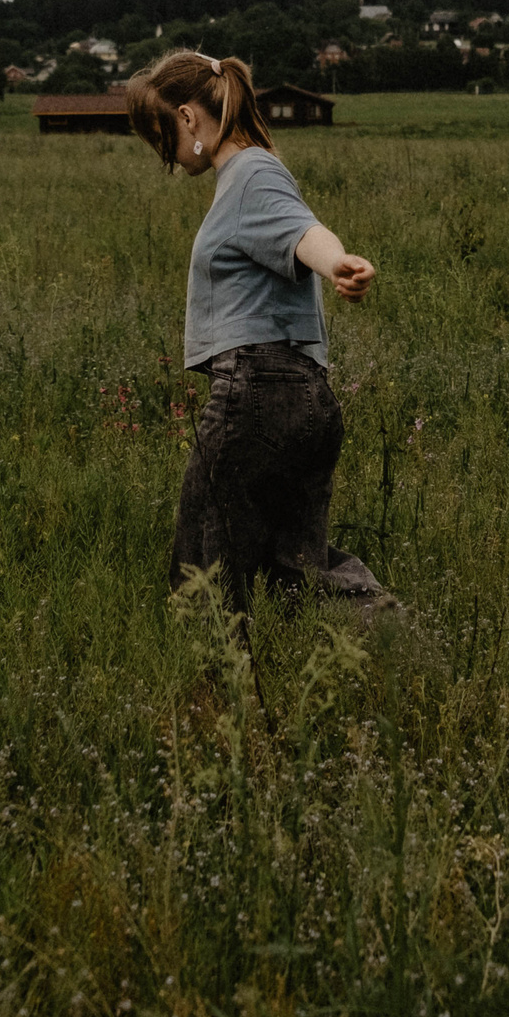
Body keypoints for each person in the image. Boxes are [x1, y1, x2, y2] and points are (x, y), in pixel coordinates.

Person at [124, 49, 398, 616]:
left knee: (202, 578)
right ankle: (401, 658)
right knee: (298, 576)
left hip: (256, 392)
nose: (167, 156)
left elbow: (304, 232)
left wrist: (338, 263)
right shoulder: (253, 172)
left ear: (188, 117)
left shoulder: (250, 174)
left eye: (162, 136)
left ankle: (210, 698)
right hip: (306, 397)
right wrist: (335, 261)